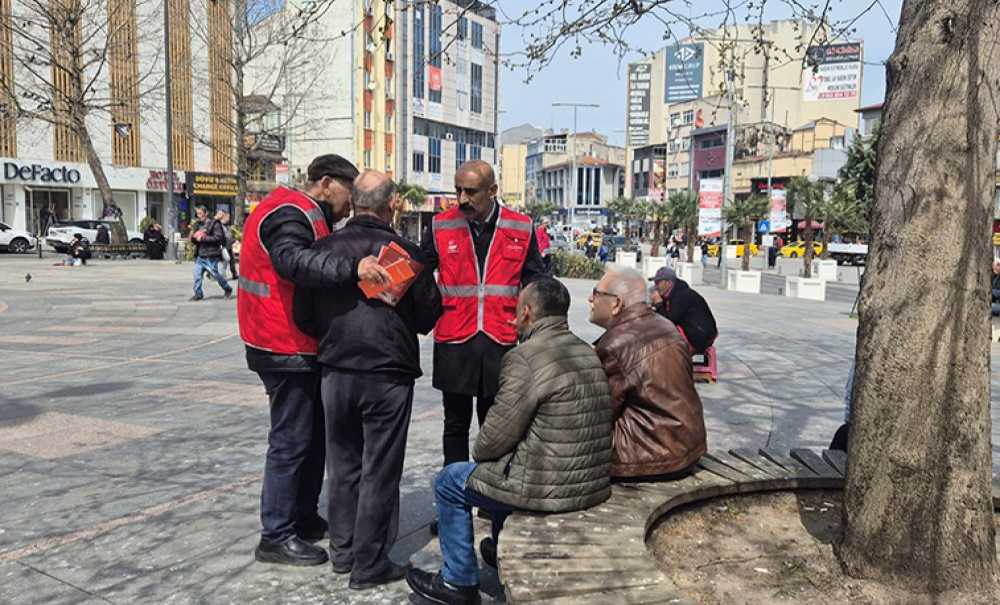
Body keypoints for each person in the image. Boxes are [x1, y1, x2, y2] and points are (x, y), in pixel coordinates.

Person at [405, 278, 613, 605]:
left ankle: (458, 581)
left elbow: (487, 444)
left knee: (449, 481)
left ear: (527, 312)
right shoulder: (585, 351)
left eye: (516, 311)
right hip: (590, 482)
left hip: (547, 486)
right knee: (505, 466)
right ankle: (502, 548)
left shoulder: (524, 358)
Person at [237, 154, 392, 568]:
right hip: (281, 342)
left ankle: (301, 517)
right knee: (290, 440)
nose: (349, 202)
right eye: (346, 191)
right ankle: (276, 534)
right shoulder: (289, 213)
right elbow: (295, 262)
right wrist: (353, 268)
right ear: (325, 182)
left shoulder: (306, 213)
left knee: (309, 437)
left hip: (294, 341)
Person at [295, 170, 442, 588]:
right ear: (392, 203)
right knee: (380, 468)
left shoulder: (323, 250)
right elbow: (429, 316)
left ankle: (343, 552)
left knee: (342, 466)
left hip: (336, 369)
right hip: (387, 373)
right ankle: (369, 562)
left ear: (354, 201)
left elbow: (303, 315)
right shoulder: (406, 253)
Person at [419, 160, 544, 470]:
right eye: (458, 190)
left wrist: (530, 320)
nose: (462, 199)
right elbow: (419, 276)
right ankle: (454, 509)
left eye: (471, 192)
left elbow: (535, 279)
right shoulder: (440, 225)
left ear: (493, 191)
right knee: (455, 425)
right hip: (454, 338)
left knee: (496, 426)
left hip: (500, 337)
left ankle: (492, 502)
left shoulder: (520, 226)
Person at [590, 269, 707, 479]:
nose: (590, 299)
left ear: (616, 303)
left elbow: (600, 413)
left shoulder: (615, 345)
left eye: (596, 293)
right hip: (688, 447)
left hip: (650, 458)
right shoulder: (665, 325)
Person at [650, 266, 718, 354]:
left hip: (699, 337)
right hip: (692, 332)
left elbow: (668, 322)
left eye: (658, 282)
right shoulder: (672, 294)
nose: (656, 286)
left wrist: (658, 304)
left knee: (659, 339)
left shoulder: (681, 295)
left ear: (669, 283)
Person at [188, 206, 233, 301]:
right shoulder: (197, 224)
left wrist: (203, 238)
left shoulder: (215, 224)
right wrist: (193, 238)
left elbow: (219, 238)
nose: (199, 216)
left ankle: (227, 288)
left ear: (206, 213)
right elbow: (195, 239)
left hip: (211, 254)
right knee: (197, 275)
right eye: (197, 214)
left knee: (215, 275)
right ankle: (198, 293)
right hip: (201, 254)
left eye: (200, 213)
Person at [215, 209, 238, 279]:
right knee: (226, 259)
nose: (228, 219)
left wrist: (234, 241)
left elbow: (229, 236)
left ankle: (234, 274)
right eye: (227, 217)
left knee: (231, 261)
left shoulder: (227, 226)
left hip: (228, 246)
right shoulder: (219, 225)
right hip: (222, 246)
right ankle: (220, 274)